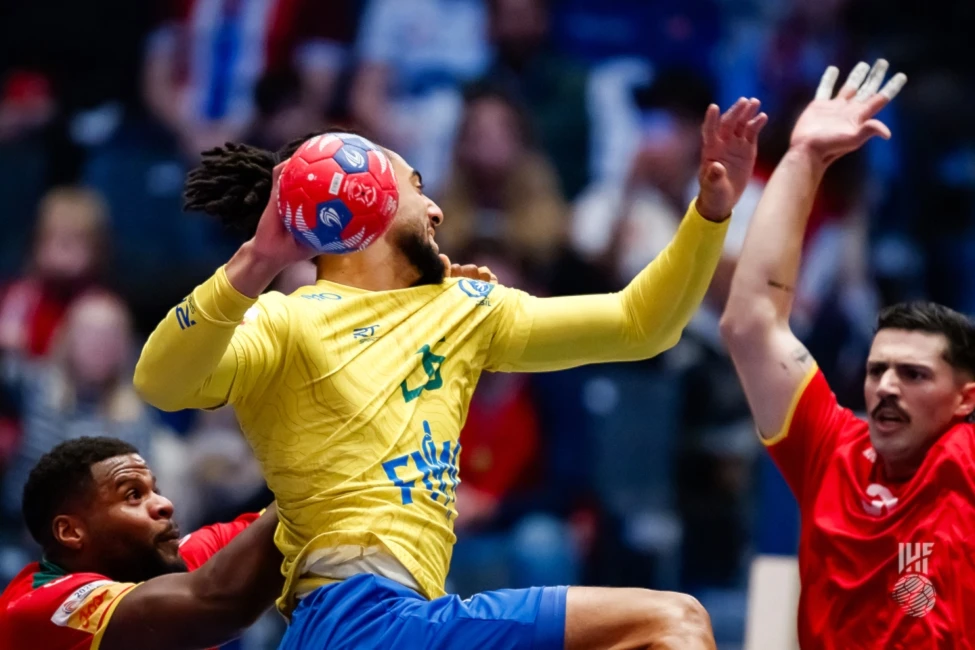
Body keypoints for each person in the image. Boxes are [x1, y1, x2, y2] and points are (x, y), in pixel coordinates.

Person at [133, 96, 768, 649]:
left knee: (667, 624)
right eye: (416, 186)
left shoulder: (465, 309)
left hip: (415, 617)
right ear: (368, 202)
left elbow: (639, 325)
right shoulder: (286, 322)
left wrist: (710, 214)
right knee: (673, 620)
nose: (436, 209)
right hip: (351, 614)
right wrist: (260, 257)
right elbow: (162, 383)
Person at [719, 61, 975, 648]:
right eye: (878, 370)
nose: (887, 386)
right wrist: (804, 157)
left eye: (914, 375)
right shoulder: (829, 450)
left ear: (966, 399)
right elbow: (751, 322)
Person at [0, 436, 282, 650]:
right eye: (133, 495)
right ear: (71, 531)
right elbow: (219, 604)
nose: (164, 504)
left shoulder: (168, 562)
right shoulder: (37, 610)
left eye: (155, 491)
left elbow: (292, 516)